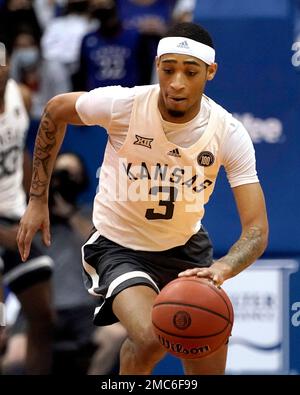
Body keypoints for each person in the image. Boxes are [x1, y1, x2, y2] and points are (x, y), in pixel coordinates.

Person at [17, 22, 269, 375]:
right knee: (152, 337)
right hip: (118, 247)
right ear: (157, 65)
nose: (177, 82)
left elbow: (256, 230)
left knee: (205, 352)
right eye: (168, 70)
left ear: (210, 72)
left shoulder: (228, 132)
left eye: (190, 72)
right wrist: (37, 199)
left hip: (186, 249)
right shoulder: (126, 104)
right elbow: (57, 109)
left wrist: (222, 268)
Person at [0, 58, 55, 374]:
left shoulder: (20, 95)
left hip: (13, 217)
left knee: (44, 318)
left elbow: (20, 152)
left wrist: (37, 202)